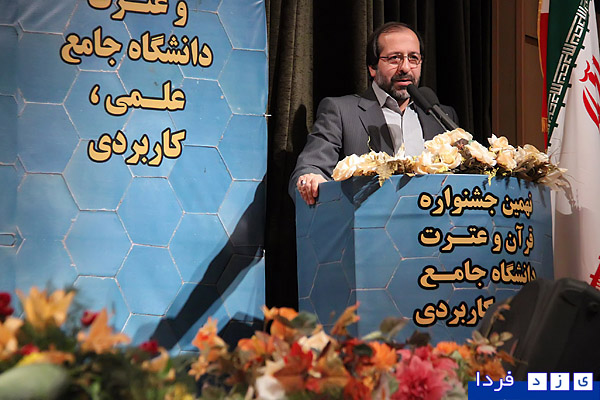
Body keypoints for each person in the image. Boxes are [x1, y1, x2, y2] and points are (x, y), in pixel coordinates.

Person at [289, 22, 459, 205]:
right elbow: (310, 168)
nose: (405, 67)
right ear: (372, 67)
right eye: (394, 58)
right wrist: (310, 180)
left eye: (413, 58)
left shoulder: (440, 117)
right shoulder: (341, 112)